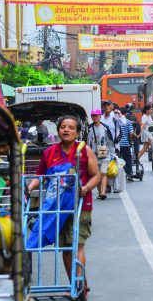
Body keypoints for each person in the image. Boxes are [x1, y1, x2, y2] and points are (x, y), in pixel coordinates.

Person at [28, 115, 100, 287]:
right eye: (63, 127)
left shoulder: (84, 150)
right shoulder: (49, 152)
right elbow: (40, 176)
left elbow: (96, 175)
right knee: (66, 249)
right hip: (56, 207)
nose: (66, 130)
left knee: (77, 244)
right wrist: (29, 187)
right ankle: (77, 283)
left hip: (80, 204)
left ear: (77, 132)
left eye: (71, 127)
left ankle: (79, 284)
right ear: (58, 130)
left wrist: (86, 188)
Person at [86, 109, 115, 199]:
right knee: (97, 174)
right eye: (93, 116)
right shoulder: (89, 128)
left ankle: (103, 192)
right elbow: (87, 143)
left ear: (100, 116)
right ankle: (100, 192)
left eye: (97, 115)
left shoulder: (105, 127)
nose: (95, 117)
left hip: (105, 154)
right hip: (94, 155)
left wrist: (113, 154)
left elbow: (110, 141)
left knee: (103, 172)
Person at [114, 109, 135, 178]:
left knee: (117, 159)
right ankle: (128, 173)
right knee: (128, 159)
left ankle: (117, 173)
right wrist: (134, 135)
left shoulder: (114, 122)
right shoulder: (128, 122)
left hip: (116, 145)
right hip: (125, 144)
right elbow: (131, 132)